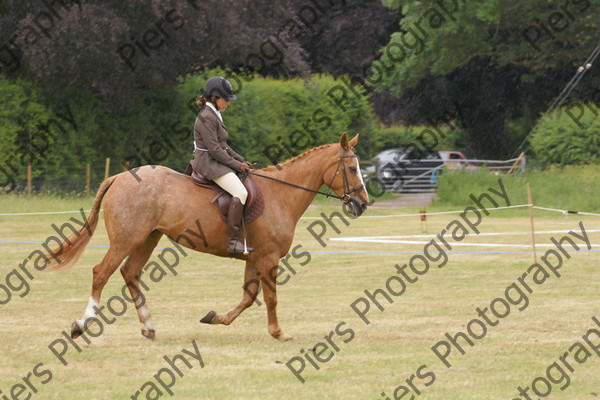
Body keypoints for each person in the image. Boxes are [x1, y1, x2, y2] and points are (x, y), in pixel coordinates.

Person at [189, 76, 254, 254]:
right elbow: (215, 150)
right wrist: (236, 165)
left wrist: (241, 161)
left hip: (214, 159)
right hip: (208, 162)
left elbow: (224, 146)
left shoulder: (214, 114)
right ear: (213, 98)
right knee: (240, 192)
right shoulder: (206, 117)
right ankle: (233, 241)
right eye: (226, 99)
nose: (228, 103)